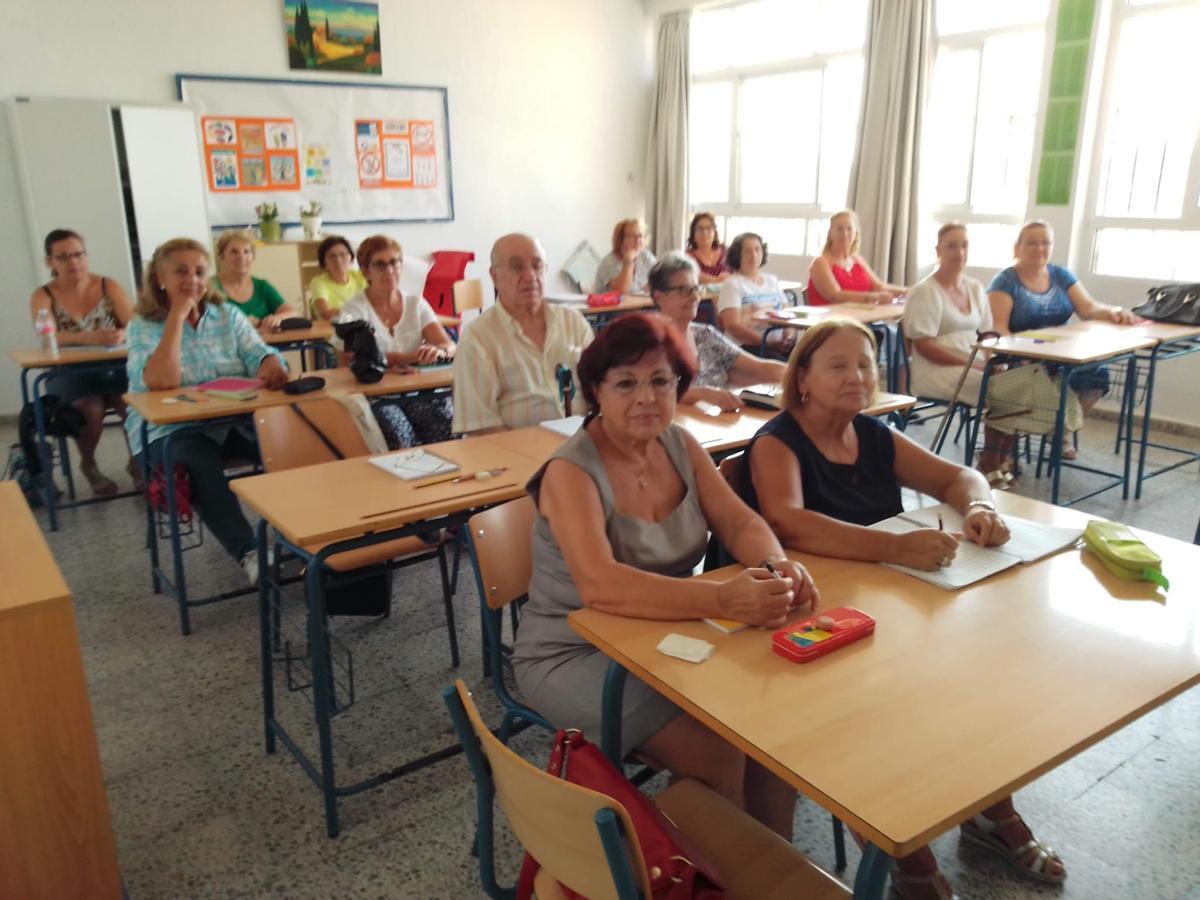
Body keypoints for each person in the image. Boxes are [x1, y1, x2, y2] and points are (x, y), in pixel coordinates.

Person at [739, 318, 1065, 900]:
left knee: (969, 676)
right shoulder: (777, 440)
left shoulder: (873, 435)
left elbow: (958, 475)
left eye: (864, 365)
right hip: (803, 618)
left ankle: (988, 810)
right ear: (804, 379)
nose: (856, 376)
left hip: (877, 602)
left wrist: (980, 507)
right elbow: (786, 520)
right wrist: (894, 547)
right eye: (837, 365)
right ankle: (905, 852)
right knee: (869, 715)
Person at [512, 312, 819, 840]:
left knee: (769, 730)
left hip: (662, 633)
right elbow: (600, 585)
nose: (646, 398)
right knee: (718, 755)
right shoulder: (571, 470)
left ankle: (770, 868)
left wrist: (777, 566)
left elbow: (740, 520)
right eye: (625, 383)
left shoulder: (680, 446)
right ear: (596, 391)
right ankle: (713, 877)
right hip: (572, 650)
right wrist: (724, 600)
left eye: (661, 381)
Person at [125, 238, 289, 584]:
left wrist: (270, 364)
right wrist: (176, 317)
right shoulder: (143, 324)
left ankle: (306, 536)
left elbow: (257, 352)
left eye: (199, 272)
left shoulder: (228, 314)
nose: (192, 280)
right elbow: (161, 380)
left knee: (290, 441)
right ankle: (250, 552)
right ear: (160, 277)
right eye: (181, 271)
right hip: (169, 432)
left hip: (233, 421)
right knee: (196, 459)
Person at [982, 220, 1139, 473]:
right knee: (1036, 381)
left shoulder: (1060, 275)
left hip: (1061, 354)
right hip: (1022, 358)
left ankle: (1059, 431)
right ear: (1017, 247)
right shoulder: (1005, 281)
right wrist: (1022, 355)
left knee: (1097, 375)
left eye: (1045, 242)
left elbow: (1088, 308)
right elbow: (999, 327)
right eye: (1032, 242)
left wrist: (1114, 312)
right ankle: (1013, 447)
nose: (1039, 248)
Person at [29, 228, 138, 495]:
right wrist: (91, 337)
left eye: (78, 255)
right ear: (50, 262)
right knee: (89, 408)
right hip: (68, 372)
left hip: (114, 367)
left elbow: (135, 324)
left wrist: (121, 332)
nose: (73, 262)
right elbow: (48, 336)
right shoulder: (43, 294)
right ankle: (88, 465)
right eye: (63, 257)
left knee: (132, 404)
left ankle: (138, 463)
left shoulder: (107, 285)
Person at [452, 233, 594, 435]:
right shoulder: (478, 338)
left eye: (537, 266)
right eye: (517, 267)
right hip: (514, 457)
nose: (530, 276)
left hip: (582, 449)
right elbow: (481, 428)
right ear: (495, 276)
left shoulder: (574, 323)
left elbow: (603, 395)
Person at [339, 235, 456, 447]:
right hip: (375, 395)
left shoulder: (415, 303)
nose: (389, 270)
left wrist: (437, 351)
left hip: (418, 390)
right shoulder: (353, 310)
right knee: (399, 436)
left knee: (446, 426)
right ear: (366, 271)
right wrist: (414, 357)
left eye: (394, 262)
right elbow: (352, 359)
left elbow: (449, 346)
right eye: (380, 264)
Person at [649, 253, 784, 411]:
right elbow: (655, 391)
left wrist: (800, 374)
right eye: (684, 290)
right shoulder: (648, 343)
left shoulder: (705, 335)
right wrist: (703, 394)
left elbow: (758, 367)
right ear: (659, 297)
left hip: (713, 426)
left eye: (695, 288)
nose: (694, 297)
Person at [903, 223, 993, 403]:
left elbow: (987, 335)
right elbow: (924, 347)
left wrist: (993, 363)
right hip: (936, 371)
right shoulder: (926, 290)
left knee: (1014, 381)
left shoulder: (975, 287)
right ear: (938, 250)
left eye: (964, 246)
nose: (959, 252)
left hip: (974, 366)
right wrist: (973, 365)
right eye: (952, 246)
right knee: (1002, 390)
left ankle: (1001, 429)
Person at [807, 210, 905, 306]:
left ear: (855, 233)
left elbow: (879, 287)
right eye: (839, 229)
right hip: (831, 320)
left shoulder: (857, 260)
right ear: (830, 234)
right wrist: (870, 297)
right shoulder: (820, 263)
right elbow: (835, 296)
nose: (845, 233)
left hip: (861, 318)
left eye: (849, 229)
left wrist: (908, 292)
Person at [209, 229, 298, 330]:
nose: (241, 256)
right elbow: (202, 324)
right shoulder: (210, 287)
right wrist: (240, 322)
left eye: (246, 252)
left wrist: (277, 318)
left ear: (253, 257)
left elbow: (292, 312)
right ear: (221, 257)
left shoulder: (262, 286)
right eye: (234, 252)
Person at [716, 232, 787, 350]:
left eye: (757, 250)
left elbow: (788, 315)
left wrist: (788, 337)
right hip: (747, 348)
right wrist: (768, 344)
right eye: (748, 251)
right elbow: (732, 326)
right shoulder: (732, 284)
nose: (753, 255)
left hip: (776, 345)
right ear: (737, 255)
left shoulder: (772, 280)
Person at [308, 236, 367, 321]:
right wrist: (360, 311)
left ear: (351, 258)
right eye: (332, 256)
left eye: (343, 254)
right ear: (324, 262)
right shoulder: (319, 282)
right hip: (332, 330)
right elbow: (326, 313)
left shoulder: (360, 276)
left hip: (361, 326)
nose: (338, 260)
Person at [593, 218, 656, 294]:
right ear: (620, 240)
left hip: (639, 304)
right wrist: (628, 261)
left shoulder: (645, 256)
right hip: (610, 305)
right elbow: (622, 291)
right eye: (631, 236)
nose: (637, 240)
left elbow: (661, 279)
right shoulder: (609, 262)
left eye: (640, 235)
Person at [685, 211, 731, 285]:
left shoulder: (725, 250)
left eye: (709, 228)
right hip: (703, 296)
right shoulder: (688, 256)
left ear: (714, 232)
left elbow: (738, 271)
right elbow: (693, 275)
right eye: (700, 229)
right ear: (693, 234)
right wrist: (716, 280)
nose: (705, 233)